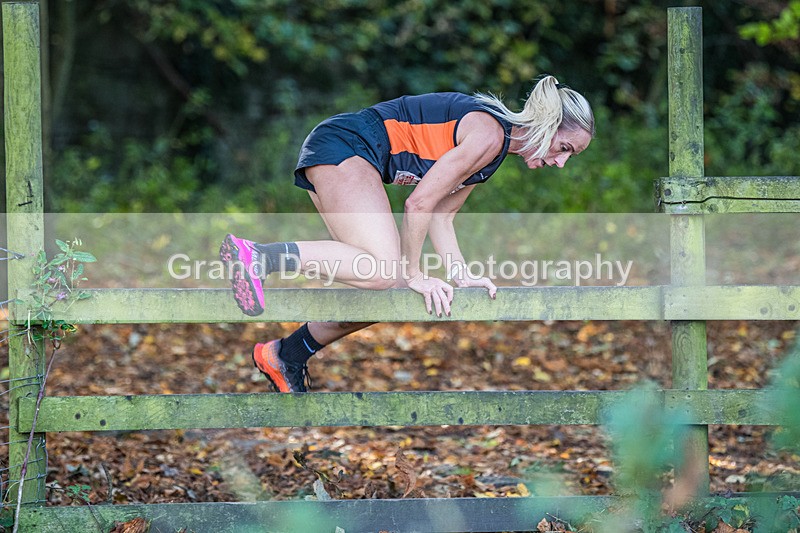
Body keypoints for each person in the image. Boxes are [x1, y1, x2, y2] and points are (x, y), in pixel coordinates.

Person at [219, 75, 594, 393]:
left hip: (346, 149)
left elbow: (441, 218)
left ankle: (287, 354)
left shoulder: (491, 154)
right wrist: (415, 274)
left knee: (388, 285)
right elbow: (418, 204)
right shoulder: (489, 135)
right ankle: (257, 257)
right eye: (564, 148)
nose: (560, 162)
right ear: (548, 124)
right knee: (387, 273)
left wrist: (460, 275)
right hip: (347, 145)